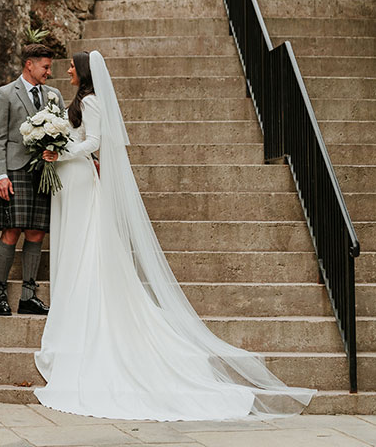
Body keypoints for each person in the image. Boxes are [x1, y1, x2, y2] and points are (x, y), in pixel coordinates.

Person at [35, 50, 315, 420]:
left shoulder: (92, 101)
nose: (67, 70)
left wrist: (62, 152)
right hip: (70, 183)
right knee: (74, 246)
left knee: (86, 245)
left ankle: (81, 308)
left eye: (72, 65)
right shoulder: (77, 101)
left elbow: (95, 143)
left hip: (81, 179)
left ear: (83, 72)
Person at [0, 43, 65, 317]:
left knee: (37, 232)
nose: (48, 72)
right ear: (29, 65)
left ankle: (28, 297)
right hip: (15, 171)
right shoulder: (5, 94)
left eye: (50, 67)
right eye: (45, 67)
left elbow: (63, 132)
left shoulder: (54, 95)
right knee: (11, 230)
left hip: (42, 172)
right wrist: (1, 175)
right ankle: (0, 296)